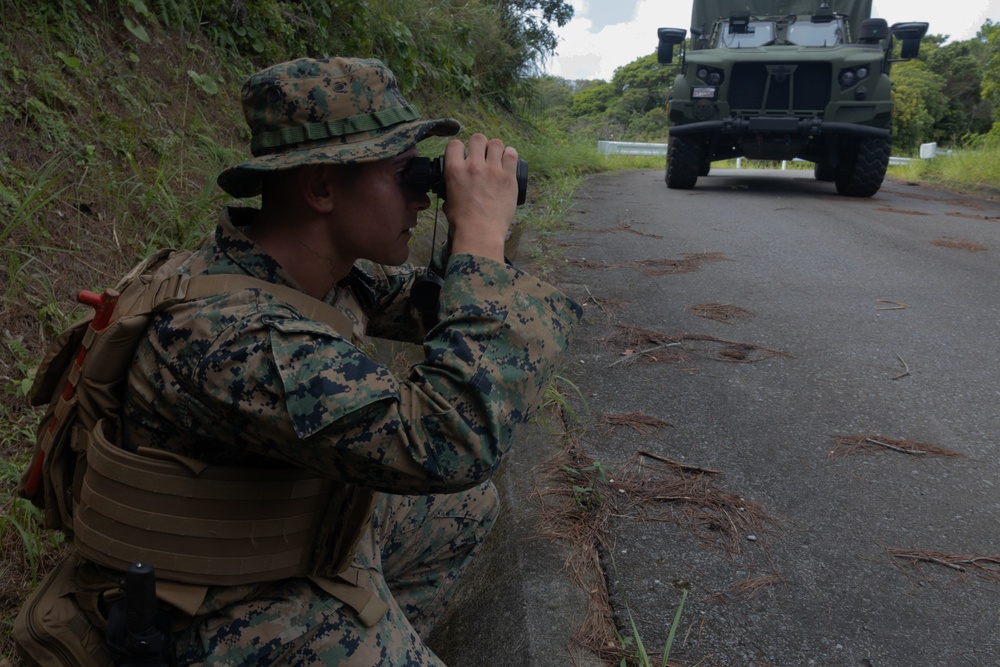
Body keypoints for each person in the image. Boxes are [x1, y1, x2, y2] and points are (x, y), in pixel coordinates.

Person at [86, 56, 580, 665]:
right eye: (404, 175)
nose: (422, 199)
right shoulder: (233, 333)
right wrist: (482, 235)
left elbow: (440, 314)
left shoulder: (307, 273)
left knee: (461, 510)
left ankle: (375, 631)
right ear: (320, 187)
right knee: (453, 485)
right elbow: (448, 441)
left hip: (276, 525)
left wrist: (471, 237)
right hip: (216, 601)